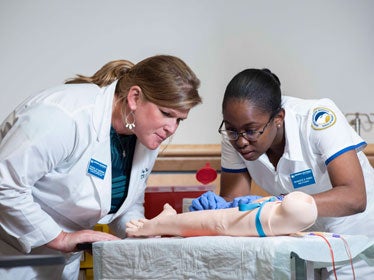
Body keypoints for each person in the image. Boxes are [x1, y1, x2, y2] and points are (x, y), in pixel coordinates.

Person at [0, 55, 201, 279]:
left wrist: (140, 231)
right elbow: (5, 185)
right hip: (11, 256)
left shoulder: (143, 132)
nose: (172, 128)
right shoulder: (64, 116)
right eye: (167, 114)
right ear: (135, 97)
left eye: (179, 119)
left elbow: (128, 203)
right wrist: (61, 238)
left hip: (62, 263)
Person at [191, 68, 374, 279]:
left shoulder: (317, 119)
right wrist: (218, 210)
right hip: (302, 237)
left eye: (251, 131)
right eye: (232, 130)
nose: (241, 141)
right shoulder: (236, 135)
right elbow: (234, 201)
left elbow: (354, 197)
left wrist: (278, 203)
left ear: (278, 118)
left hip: (354, 236)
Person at [126, 191, 317, 238]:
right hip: (258, 214)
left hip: (256, 220)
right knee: (212, 221)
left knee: (214, 223)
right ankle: (159, 223)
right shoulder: (289, 209)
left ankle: (156, 224)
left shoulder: (298, 211)